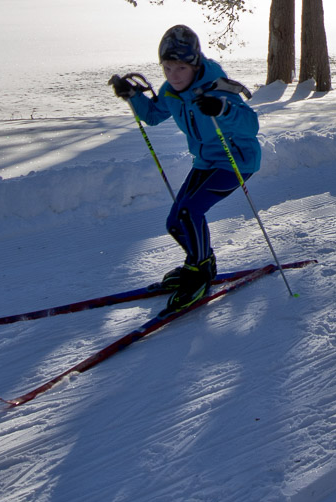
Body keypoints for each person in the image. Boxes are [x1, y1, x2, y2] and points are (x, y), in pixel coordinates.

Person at [109, 25, 261, 314]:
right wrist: (132, 96)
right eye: (167, 68)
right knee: (175, 223)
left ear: (195, 64)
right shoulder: (171, 92)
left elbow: (251, 125)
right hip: (205, 161)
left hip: (236, 161)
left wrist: (222, 110)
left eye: (180, 67)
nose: (173, 75)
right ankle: (202, 260)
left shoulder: (217, 87)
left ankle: (199, 270)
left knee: (188, 212)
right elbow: (153, 116)